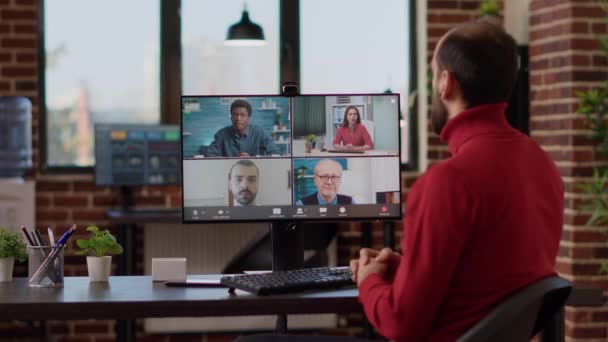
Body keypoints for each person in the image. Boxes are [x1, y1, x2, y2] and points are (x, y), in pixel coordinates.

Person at [349, 21, 564, 341]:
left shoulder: (446, 184)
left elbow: (400, 324)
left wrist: (369, 280)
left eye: (433, 74)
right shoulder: (541, 164)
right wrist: (406, 270)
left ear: (446, 83)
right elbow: (485, 277)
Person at [207, 99, 280, 157]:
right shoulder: (221, 134)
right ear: (231, 117)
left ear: (248, 118)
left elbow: (275, 154)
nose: (238, 118)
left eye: (242, 115)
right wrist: (230, 161)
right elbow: (211, 155)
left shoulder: (260, 133)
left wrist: (254, 159)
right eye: (235, 114)